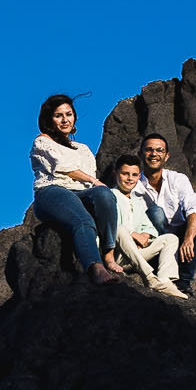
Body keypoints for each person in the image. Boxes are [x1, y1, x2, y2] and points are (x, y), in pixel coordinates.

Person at [30, 94, 121, 284]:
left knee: (105, 194)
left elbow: (90, 181)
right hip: (52, 191)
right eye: (58, 115)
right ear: (49, 119)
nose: (65, 120)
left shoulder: (82, 148)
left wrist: (94, 184)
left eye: (68, 114)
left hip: (81, 192)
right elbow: (63, 168)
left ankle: (109, 255)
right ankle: (96, 268)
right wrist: (92, 180)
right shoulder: (43, 142)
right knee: (83, 219)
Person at [137, 133, 196, 293]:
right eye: (149, 150)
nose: (154, 154)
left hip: (179, 234)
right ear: (140, 154)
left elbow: (195, 206)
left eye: (159, 150)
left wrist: (189, 238)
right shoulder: (134, 184)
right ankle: (159, 268)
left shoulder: (177, 179)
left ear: (166, 156)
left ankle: (184, 281)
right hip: (154, 238)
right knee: (155, 213)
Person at [109, 158, 188, 297]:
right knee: (120, 230)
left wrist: (145, 235)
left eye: (134, 175)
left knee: (170, 238)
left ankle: (164, 280)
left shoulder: (137, 201)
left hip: (136, 254)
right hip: (117, 255)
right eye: (125, 174)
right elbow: (109, 224)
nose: (129, 179)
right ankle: (150, 277)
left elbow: (150, 228)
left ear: (139, 177)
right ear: (115, 174)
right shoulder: (109, 196)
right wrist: (133, 235)